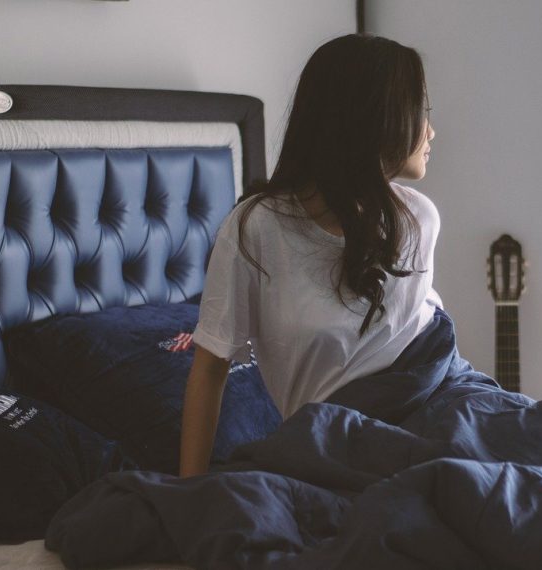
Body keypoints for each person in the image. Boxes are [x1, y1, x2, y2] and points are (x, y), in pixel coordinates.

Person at [179, 34, 439, 477]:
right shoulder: (255, 228)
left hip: (438, 413)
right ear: (375, 117)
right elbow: (209, 368)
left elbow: (422, 347)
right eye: (421, 113)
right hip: (334, 449)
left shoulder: (417, 218)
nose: (431, 131)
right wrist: (188, 495)